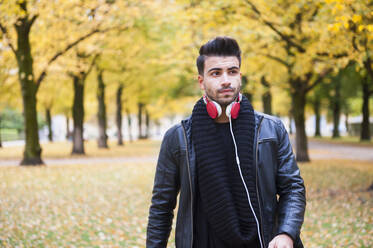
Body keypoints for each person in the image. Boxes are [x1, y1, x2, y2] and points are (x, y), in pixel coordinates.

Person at [147, 36, 306, 248]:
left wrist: (286, 233)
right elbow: (161, 206)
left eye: (232, 71)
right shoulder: (178, 137)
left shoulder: (271, 130)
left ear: (240, 76)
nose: (226, 80)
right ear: (201, 81)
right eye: (215, 73)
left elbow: (292, 188)